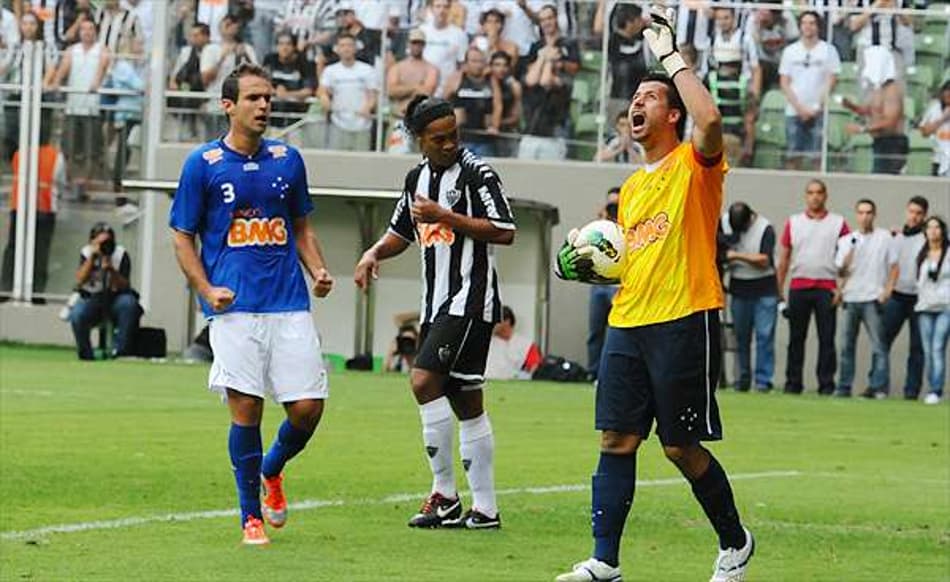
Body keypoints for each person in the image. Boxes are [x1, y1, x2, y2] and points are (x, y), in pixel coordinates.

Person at [554, 7, 754, 581]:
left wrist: (671, 59)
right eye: (633, 98)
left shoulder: (696, 164)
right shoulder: (634, 188)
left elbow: (711, 119)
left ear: (671, 113)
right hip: (628, 321)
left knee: (679, 448)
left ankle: (735, 542)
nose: (636, 104)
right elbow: (632, 258)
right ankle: (605, 562)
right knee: (616, 438)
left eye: (649, 96)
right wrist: (589, 266)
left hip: (684, 317)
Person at [169, 63, 335, 545]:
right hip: (234, 307)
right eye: (254, 98)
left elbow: (301, 228)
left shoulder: (288, 159)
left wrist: (318, 270)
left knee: (307, 409)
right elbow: (182, 237)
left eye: (268, 98)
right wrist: (206, 289)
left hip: (288, 302)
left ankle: (273, 468)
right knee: (247, 410)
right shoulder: (202, 164)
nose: (265, 105)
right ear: (228, 106)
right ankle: (250, 517)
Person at [354, 95, 516, 530]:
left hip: (470, 299)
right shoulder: (416, 179)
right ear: (419, 140)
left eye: (454, 136)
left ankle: (444, 494)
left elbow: (505, 230)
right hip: (436, 304)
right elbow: (399, 232)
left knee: (423, 381)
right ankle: (485, 509)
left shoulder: (477, 173)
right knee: (466, 401)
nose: (449, 145)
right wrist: (373, 253)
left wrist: (447, 215)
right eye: (438, 139)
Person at [776, 179, 850, 395]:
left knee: (827, 339)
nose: (815, 196)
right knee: (796, 339)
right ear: (806, 196)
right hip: (799, 286)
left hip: (826, 288)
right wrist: (779, 291)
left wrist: (841, 288)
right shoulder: (794, 222)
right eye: (811, 193)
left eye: (819, 192)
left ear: (825, 195)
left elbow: (849, 259)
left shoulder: (838, 223)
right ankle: (793, 383)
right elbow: (784, 259)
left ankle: (826, 385)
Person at [833, 199, 898, 398]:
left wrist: (887, 290)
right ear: (856, 215)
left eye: (869, 212)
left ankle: (878, 387)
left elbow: (894, 266)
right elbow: (841, 271)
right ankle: (844, 386)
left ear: (874, 215)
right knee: (846, 345)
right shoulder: (846, 240)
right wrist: (849, 256)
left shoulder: (885, 237)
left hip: (872, 298)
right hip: (851, 297)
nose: (865, 217)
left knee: (879, 344)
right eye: (861, 213)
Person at [1, 121, 65, 299]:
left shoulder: (20, 154)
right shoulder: (56, 156)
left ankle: (6, 286)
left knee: (13, 247)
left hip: (19, 206)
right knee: (41, 250)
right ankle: (36, 290)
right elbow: (61, 182)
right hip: (45, 208)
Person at [719, 202, 778, 392]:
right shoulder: (724, 222)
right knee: (741, 337)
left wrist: (735, 255)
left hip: (764, 288)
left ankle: (763, 381)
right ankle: (742, 379)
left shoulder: (765, 228)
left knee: (764, 336)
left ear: (750, 217)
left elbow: (764, 260)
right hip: (739, 288)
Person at [69, 222, 142, 359]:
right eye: (100, 242)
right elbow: (79, 280)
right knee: (77, 314)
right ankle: (86, 354)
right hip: (92, 297)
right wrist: (92, 258)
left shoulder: (120, 254)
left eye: (107, 241)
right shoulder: (86, 252)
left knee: (129, 304)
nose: (104, 246)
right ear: (92, 241)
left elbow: (125, 285)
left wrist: (111, 269)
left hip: (116, 297)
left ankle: (120, 352)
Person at [778, 11, 841, 171]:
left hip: (818, 111)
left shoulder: (828, 50)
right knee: (793, 155)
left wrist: (817, 106)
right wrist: (799, 108)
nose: (808, 26)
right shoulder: (790, 51)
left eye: (812, 23)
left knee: (817, 157)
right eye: (804, 23)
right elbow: (784, 82)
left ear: (818, 26)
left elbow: (832, 79)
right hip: (794, 111)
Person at [882, 196, 928, 400]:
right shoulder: (894, 237)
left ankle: (911, 392)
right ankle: (879, 386)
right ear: (906, 212)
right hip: (897, 295)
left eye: (919, 213)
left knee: (917, 348)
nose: (914, 217)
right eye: (911, 212)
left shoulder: (929, 238)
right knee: (882, 342)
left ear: (924, 215)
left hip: (920, 298)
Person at [842, 46, 906, 175]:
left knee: (885, 180)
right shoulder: (878, 89)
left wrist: (862, 129)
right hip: (879, 142)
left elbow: (890, 121)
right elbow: (869, 110)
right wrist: (851, 106)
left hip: (892, 144)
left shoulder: (892, 91)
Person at [317, 33, 378, 151]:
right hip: (338, 124)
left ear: (355, 48)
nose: (346, 48)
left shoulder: (367, 70)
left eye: (350, 45)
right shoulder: (330, 71)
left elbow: (372, 95)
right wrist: (324, 99)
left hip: (362, 126)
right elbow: (322, 91)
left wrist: (368, 107)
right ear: (337, 49)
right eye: (343, 45)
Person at [586, 187, 620, 382]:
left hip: (618, 284)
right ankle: (593, 372)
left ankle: (610, 375)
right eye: (611, 204)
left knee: (616, 331)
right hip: (598, 283)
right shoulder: (600, 226)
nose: (614, 208)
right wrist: (602, 217)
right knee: (595, 330)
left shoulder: (629, 222)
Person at [915, 216, 950, 405]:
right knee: (928, 350)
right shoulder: (923, 254)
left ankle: (936, 389)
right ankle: (931, 387)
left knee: (937, 347)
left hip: (946, 306)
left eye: (937, 227)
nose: (933, 231)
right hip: (925, 306)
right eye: (930, 227)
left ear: (943, 231)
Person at [444, 47, 497, 157]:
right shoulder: (456, 79)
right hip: (461, 138)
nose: (478, 65)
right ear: (466, 63)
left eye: (481, 61)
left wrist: (494, 126)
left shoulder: (490, 80)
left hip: (484, 138)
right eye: (474, 61)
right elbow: (444, 102)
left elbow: (498, 105)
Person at [386, 28, 438, 119]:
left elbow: (427, 92)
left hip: (420, 117)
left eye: (419, 43)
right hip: (397, 116)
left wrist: (402, 89)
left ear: (424, 45)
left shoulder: (431, 69)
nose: (416, 46)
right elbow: (391, 91)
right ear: (408, 44)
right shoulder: (397, 68)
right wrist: (416, 87)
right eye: (414, 43)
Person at [485, 305, 542, 380]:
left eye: (495, 321)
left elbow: (535, 368)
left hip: (513, 384)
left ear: (507, 321)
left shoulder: (525, 344)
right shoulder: (486, 341)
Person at [919, 81, 950, 178]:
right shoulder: (935, 108)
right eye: (946, 91)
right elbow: (925, 132)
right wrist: (943, 119)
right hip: (938, 158)